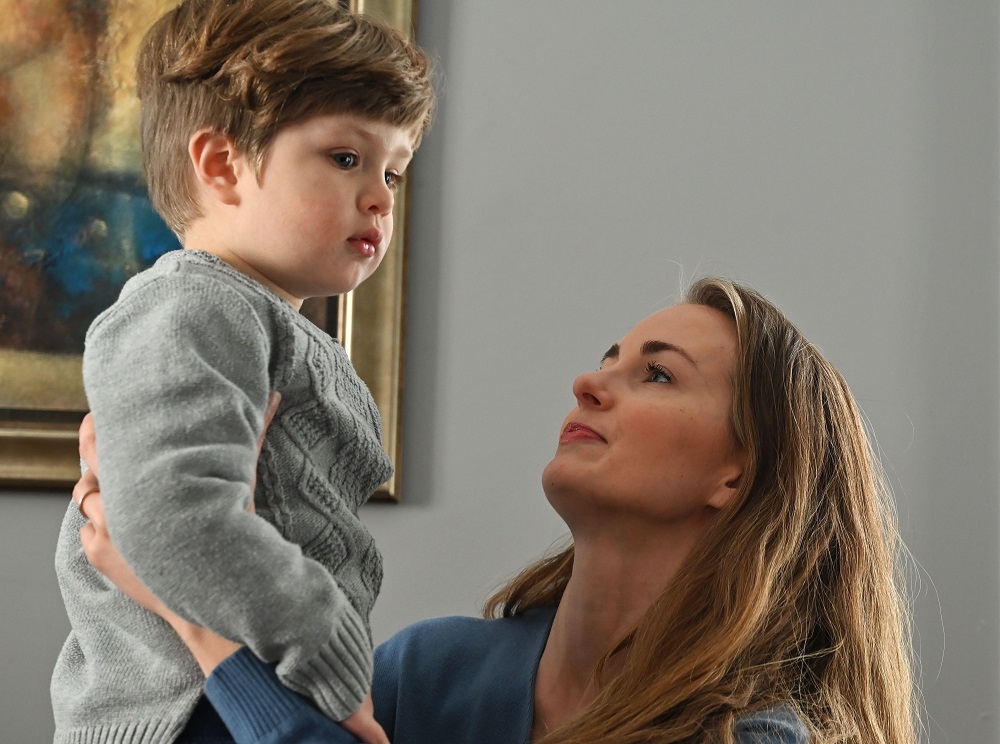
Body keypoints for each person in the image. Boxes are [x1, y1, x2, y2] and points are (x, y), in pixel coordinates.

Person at [73, 276, 919, 743]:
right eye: (607, 360)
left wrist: (194, 618)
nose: (590, 381)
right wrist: (200, 543)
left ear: (736, 475)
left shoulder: (758, 739)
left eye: (656, 375)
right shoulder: (429, 671)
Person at [51, 1, 435, 742]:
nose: (381, 196)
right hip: (183, 717)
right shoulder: (194, 306)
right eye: (346, 158)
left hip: (240, 695)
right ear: (223, 165)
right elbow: (171, 517)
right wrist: (331, 659)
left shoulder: (259, 321)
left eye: (394, 172)